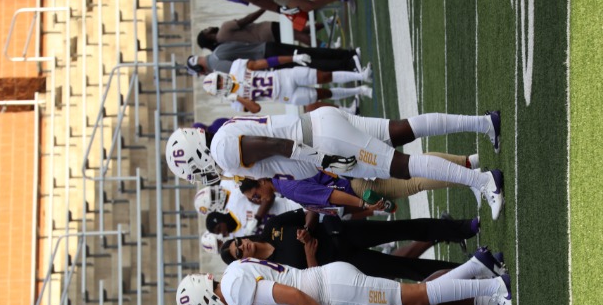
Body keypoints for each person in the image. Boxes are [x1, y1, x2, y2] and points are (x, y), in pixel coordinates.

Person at [165, 109, 504, 220]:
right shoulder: (222, 135)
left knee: (403, 167)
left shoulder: (223, 150)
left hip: (321, 144)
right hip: (320, 126)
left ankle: (483, 181)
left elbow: (275, 146)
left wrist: (319, 159)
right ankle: (485, 123)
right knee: (401, 130)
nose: (201, 176)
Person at [176, 246, 510, 305]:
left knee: (418, 295)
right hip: (332, 295)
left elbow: (291, 296)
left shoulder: (234, 289)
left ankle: (493, 286)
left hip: (332, 295)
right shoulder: (233, 278)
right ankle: (478, 277)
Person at [217, 208, 478, 281]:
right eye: (238, 253)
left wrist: (307, 230)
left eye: (238, 242)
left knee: (401, 228)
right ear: (243, 261)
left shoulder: (273, 226)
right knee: (406, 270)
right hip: (344, 266)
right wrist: (309, 252)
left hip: (342, 234)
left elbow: (310, 210)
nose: (242, 247)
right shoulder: (273, 271)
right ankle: (471, 273)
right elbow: (312, 282)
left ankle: (462, 228)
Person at [237, 152, 480, 216]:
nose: (259, 200)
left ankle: (469, 174)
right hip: (348, 169)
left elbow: (329, 196)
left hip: (352, 186)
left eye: (255, 194)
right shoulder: (281, 171)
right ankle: (467, 162)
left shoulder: (286, 187)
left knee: (413, 183)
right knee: (411, 165)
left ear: (260, 180)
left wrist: (363, 205)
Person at [201, 57, 372, 113]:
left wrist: (293, 58)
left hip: (284, 77)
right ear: (219, 92)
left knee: (324, 76)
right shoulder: (235, 103)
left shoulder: (237, 67)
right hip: (285, 96)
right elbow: (256, 108)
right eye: (219, 85)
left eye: (219, 79)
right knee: (324, 95)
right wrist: (236, 97)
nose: (222, 82)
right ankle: (358, 93)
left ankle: (361, 76)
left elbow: (266, 62)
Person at [185, 41, 360, 75]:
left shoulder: (217, 66)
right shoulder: (218, 49)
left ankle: (349, 64)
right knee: (310, 52)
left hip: (269, 60)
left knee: (311, 65)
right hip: (267, 47)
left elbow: (249, 67)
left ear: (200, 68)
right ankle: (349, 54)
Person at [197, 9, 325, 48]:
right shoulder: (224, 29)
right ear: (208, 36)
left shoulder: (222, 45)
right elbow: (247, 20)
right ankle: (325, 47)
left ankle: (327, 22)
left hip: (264, 42)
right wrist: (264, 7)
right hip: (266, 30)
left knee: (299, 31)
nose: (208, 28)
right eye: (205, 30)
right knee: (297, 35)